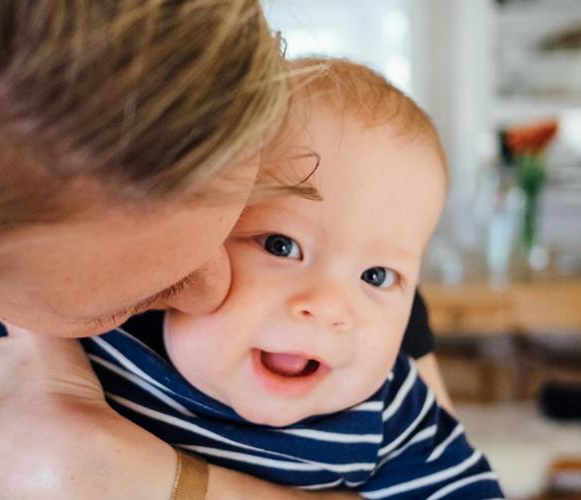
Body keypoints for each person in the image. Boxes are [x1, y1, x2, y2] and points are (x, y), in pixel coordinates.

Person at [0, 2, 447, 499]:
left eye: (241, 222)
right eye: (138, 294)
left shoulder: (335, 247)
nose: (214, 289)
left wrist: (154, 484)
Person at [82, 59, 504, 498]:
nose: (327, 307)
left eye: (376, 276)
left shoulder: (388, 413)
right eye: (281, 246)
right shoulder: (105, 327)